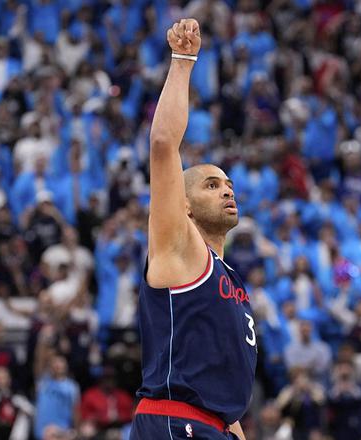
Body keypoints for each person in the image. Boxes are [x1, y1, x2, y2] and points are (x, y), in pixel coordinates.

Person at [130, 19, 256, 440]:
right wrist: (183, 60)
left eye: (228, 184)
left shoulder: (228, 276)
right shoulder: (179, 245)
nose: (227, 190)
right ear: (182, 205)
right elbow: (163, 144)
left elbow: (222, 398)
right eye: (211, 185)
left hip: (211, 426)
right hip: (174, 423)